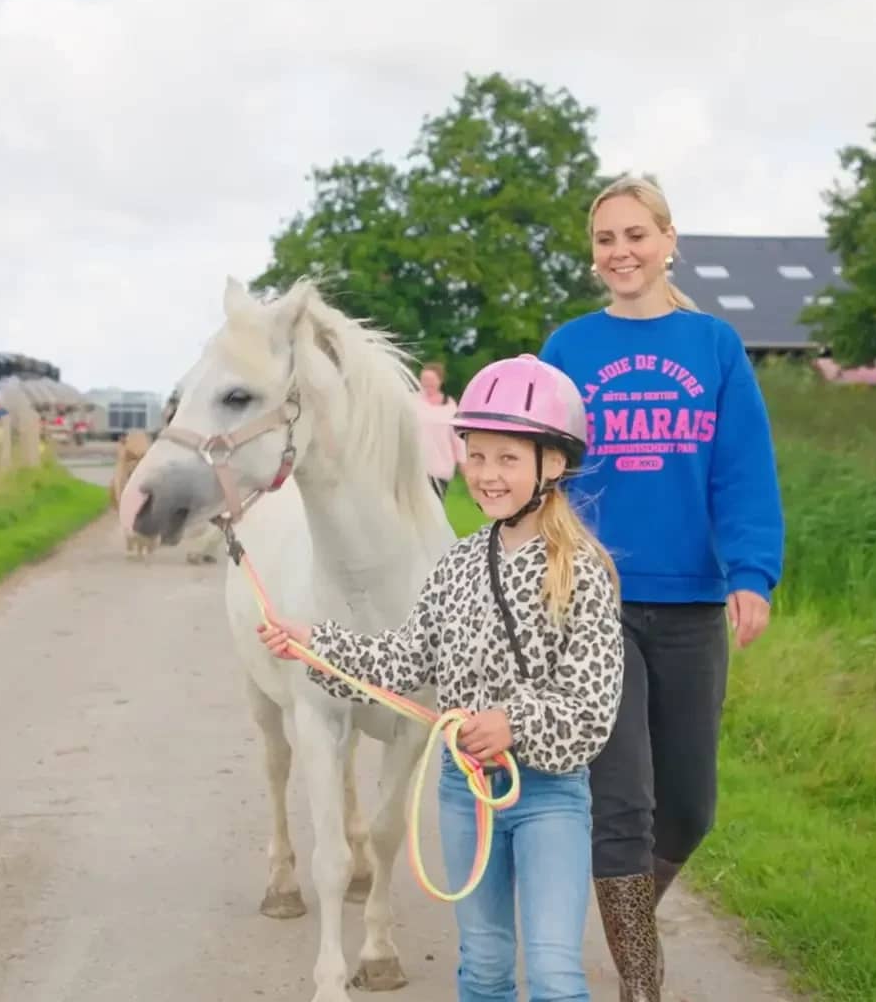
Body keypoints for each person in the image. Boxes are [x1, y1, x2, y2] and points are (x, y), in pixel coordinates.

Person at [257, 353, 626, 1001]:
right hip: (465, 791)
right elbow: (404, 665)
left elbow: (593, 710)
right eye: (477, 455)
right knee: (482, 964)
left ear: (556, 463)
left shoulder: (584, 572)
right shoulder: (456, 567)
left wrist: (515, 722)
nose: (486, 474)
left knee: (554, 971)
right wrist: (317, 646)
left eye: (508, 458)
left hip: (548, 797)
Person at [538, 173, 785, 996]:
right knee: (623, 804)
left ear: (669, 240)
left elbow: (742, 473)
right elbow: (539, 471)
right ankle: (640, 980)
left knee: (687, 808)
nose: (621, 252)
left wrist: (752, 571)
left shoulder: (713, 347)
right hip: (596, 605)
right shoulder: (568, 350)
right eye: (605, 239)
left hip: (691, 605)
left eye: (635, 235)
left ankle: (622, 916)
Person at [414, 361, 464, 500]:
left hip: (441, 469)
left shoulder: (450, 406)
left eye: (431, 380)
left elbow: (457, 439)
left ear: (440, 381)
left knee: (435, 507)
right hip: (416, 467)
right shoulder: (413, 401)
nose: (427, 384)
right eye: (424, 380)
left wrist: (463, 464)